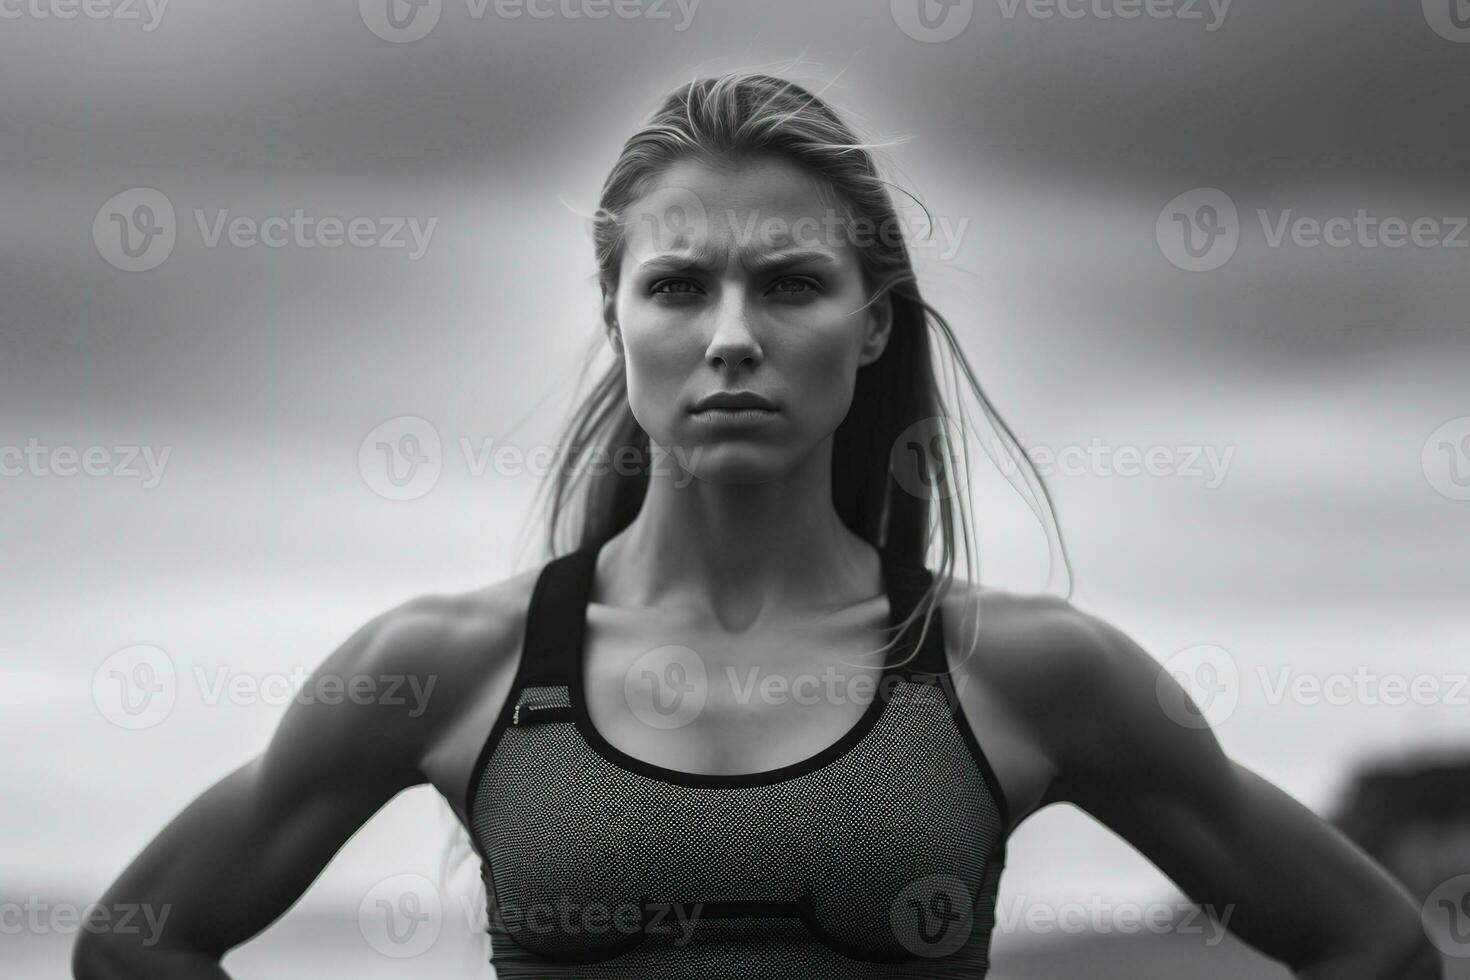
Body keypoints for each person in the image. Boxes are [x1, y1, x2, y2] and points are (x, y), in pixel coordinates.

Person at [74, 72, 1441, 979]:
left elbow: (1374, 951)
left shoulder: (1022, 672)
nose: (732, 338)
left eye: (790, 284)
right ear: (616, 321)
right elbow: (137, 945)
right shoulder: (449, 663)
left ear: (872, 324)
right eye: (677, 287)